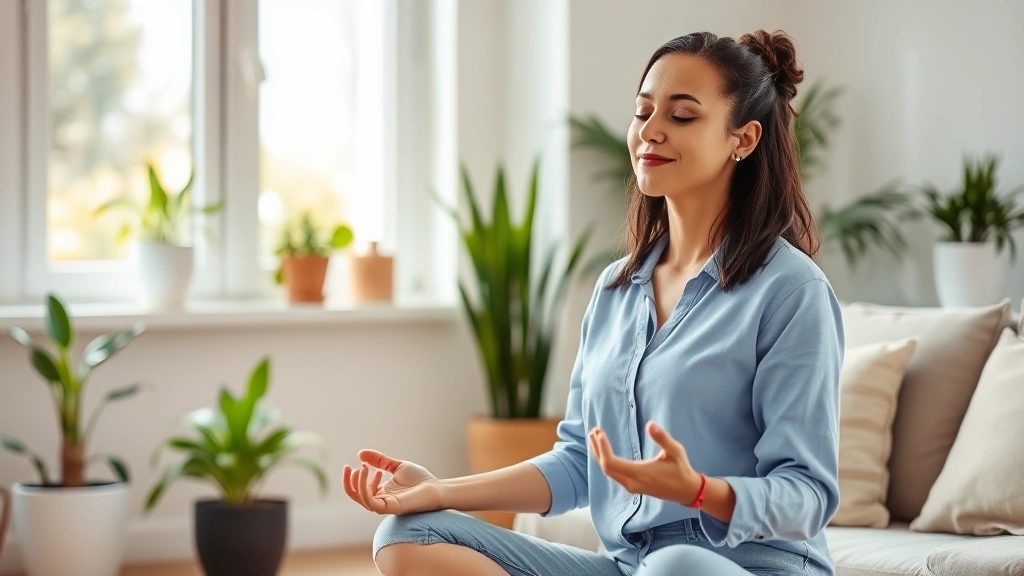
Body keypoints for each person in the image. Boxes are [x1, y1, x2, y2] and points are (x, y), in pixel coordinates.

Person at [343, 29, 844, 576]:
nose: (649, 132)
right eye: (642, 112)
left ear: (742, 140)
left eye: (681, 116)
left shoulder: (791, 292)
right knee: (407, 534)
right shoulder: (616, 290)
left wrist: (700, 490)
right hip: (631, 567)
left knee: (678, 566)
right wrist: (441, 490)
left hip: (748, 567)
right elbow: (580, 462)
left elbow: (807, 494)